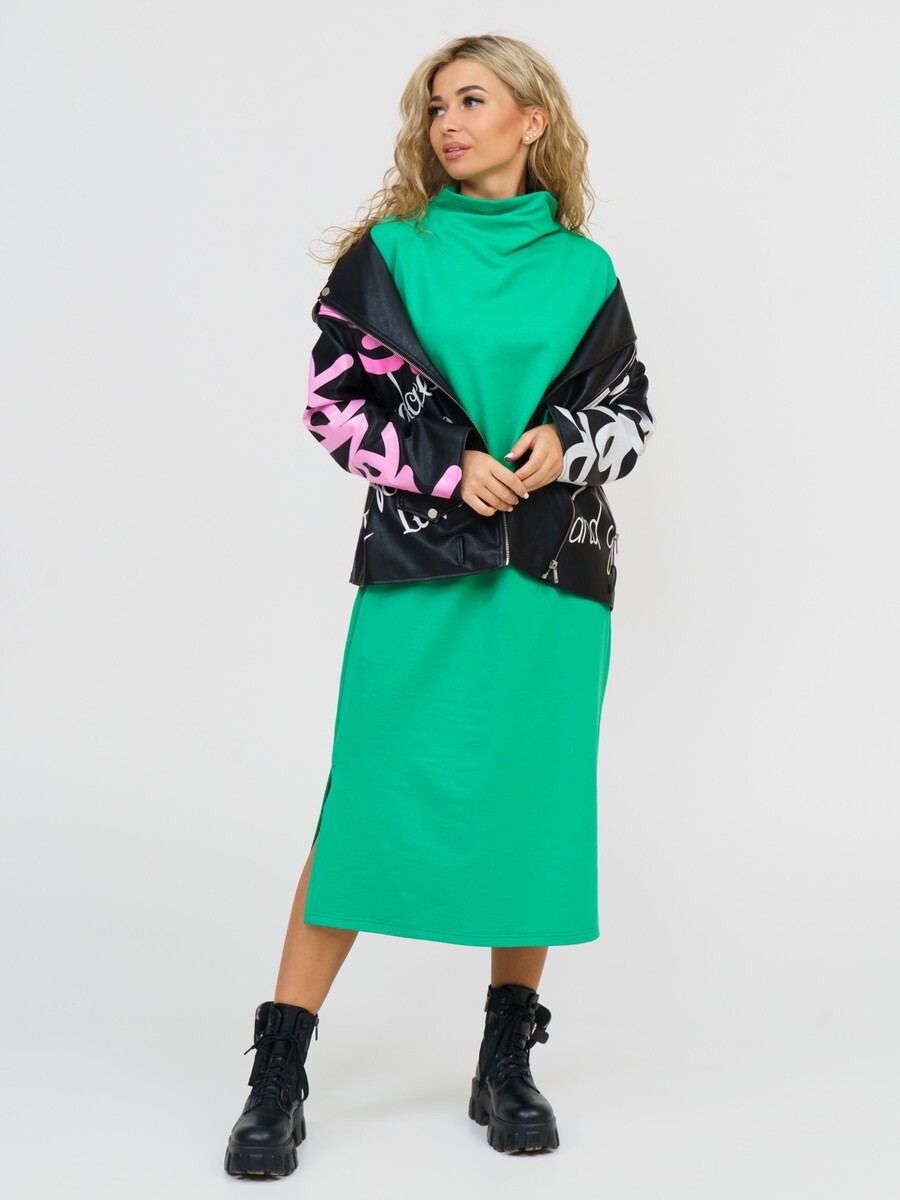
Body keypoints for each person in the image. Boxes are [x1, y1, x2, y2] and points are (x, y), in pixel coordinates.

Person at [224, 31, 654, 1177]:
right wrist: (447, 465)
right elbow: (333, 405)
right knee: (364, 803)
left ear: (532, 121)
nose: (446, 122)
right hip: (421, 568)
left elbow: (630, 415)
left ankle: (506, 1061)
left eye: (471, 100)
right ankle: (279, 1072)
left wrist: (563, 442)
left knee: (532, 807)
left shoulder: (585, 272)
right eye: (433, 106)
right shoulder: (391, 255)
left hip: (551, 583)